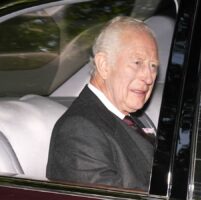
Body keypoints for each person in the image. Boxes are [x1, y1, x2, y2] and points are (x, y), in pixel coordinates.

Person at [46, 16, 159, 191]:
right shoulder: (79, 131)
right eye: (137, 63)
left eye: (153, 66)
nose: (149, 76)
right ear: (104, 65)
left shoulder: (134, 118)